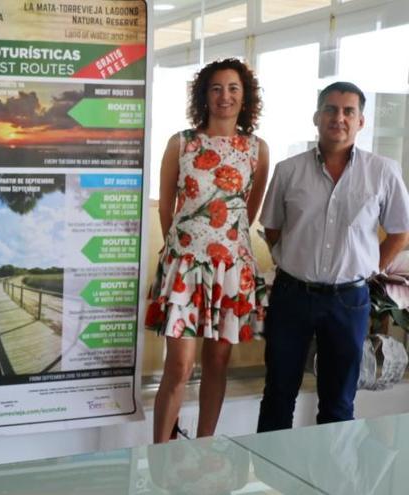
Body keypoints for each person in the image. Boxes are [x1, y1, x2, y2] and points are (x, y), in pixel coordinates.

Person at [257, 82, 409, 432]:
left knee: (339, 401)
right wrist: (291, 260)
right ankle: (271, 479)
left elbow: (399, 231)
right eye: (331, 109)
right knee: (279, 393)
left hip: (348, 300)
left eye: (348, 111)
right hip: (291, 296)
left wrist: (372, 266)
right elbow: (273, 229)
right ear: (317, 116)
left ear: (361, 121)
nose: (338, 118)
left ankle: (332, 480)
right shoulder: (288, 169)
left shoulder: (383, 171)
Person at [145, 58, 269, 443]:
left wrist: (222, 245)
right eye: (216, 88)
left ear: (245, 96)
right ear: (204, 95)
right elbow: (167, 206)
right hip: (184, 267)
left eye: (233, 88)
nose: (224, 96)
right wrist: (186, 248)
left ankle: (204, 445)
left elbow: (248, 211)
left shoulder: (257, 149)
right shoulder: (181, 143)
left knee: (218, 362)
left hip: (231, 269)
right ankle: (160, 451)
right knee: (179, 367)